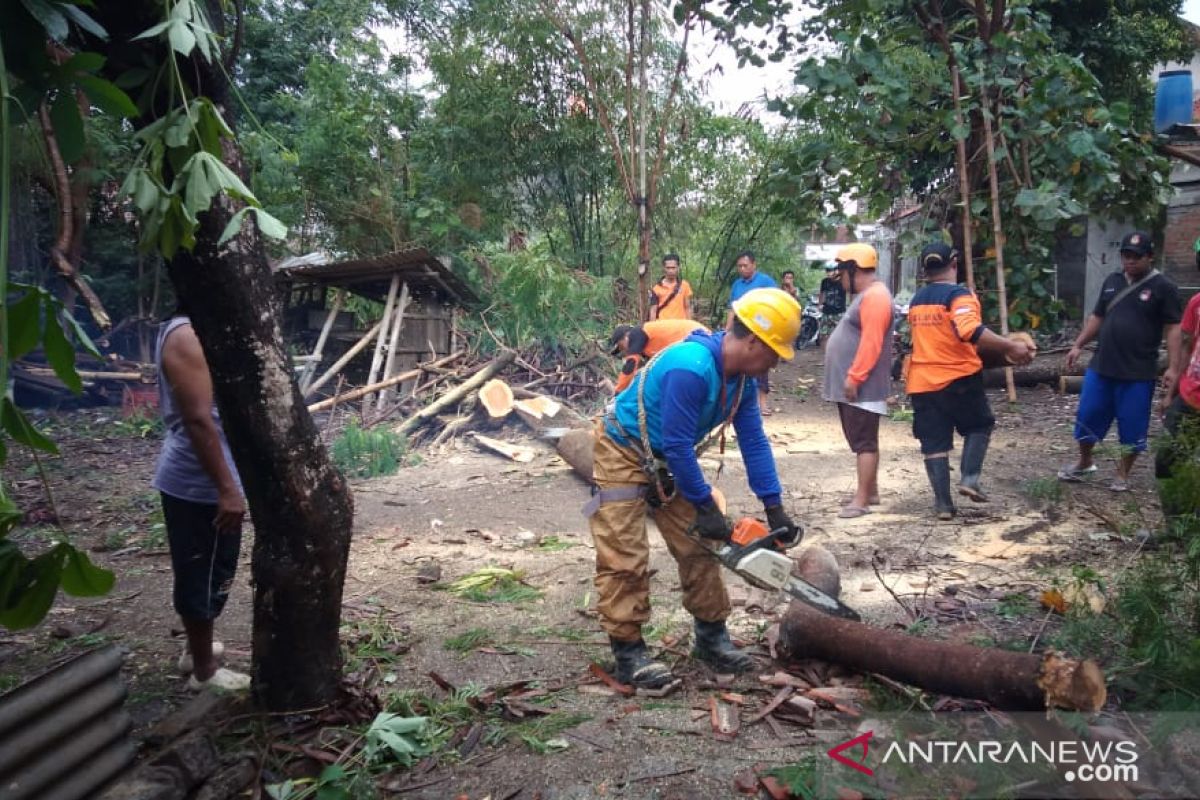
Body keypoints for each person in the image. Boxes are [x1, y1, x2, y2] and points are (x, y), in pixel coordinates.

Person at [588, 288, 802, 688]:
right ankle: (628, 652)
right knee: (624, 553)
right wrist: (704, 503)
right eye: (774, 353)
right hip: (624, 449)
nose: (774, 363)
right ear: (753, 341)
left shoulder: (738, 381)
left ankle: (710, 636)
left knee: (702, 544)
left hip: (669, 459)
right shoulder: (691, 367)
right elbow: (678, 445)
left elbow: (754, 440)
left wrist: (774, 506)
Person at [152, 310, 251, 691]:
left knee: (208, 569)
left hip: (207, 475)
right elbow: (197, 419)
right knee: (203, 572)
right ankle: (204, 672)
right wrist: (226, 488)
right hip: (199, 480)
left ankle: (197, 650)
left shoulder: (200, 330)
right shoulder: (186, 335)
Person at [907, 243, 1035, 520]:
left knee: (933, 443)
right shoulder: (959, 295)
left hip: (922, 382)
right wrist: (1008, 347)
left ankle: (943, 505)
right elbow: (969, 331)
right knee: (980, 425)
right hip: (958, 378)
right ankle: (970, 478)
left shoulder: (917, 301)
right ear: (954, 262)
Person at [1058, 231, 1182, 492]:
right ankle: (1085, 462)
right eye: (1126, 255)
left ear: (1150, 256)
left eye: (1136, 256)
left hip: (1138, 372)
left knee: (1132, 426)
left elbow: (1173, 329)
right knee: (1087, 416)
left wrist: (1173, 366)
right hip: (1102, 365)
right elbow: (1098, 316)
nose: (1130, 261)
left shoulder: (1164, 287)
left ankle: (1123, 474)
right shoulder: (1113, 281)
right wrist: (1078, 344)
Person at [822, 244, 894, 518]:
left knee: (864, 442)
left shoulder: (875, 297)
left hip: (863, 386)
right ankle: (870, 491)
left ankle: (861, 499)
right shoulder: (869, 295)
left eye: (842, 272)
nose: (839, 279)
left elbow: (872, 342)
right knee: (863, 440)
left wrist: (855, 377)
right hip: (859, 385)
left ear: (853, 269)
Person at [1156, 286, 1200, 532]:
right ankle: (1176, 529)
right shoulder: (1197, 302)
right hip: (1189, 395)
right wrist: (1171, 394)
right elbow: (1187, 346)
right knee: (1167, 460)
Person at [726, 251, 778, 412]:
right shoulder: (737, 285)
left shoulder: (765, 281)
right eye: (739, 266)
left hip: (760, 331)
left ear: (754, 265)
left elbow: (775, 303)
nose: (742, 269)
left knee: (760, 367)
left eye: (745, 265)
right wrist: (726, 330)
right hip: (740, 331)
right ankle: (737, 403)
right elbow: (732, 309)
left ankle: (762, 403)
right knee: (739, 365)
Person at [609, 319, 709, 394]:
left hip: (695, 335)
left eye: (621, 346)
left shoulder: (636, 333)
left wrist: (618, 391)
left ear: (626, 336)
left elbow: (630, 365)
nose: (624, 351)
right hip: (694, 339)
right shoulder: (647, 345)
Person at [648, 253, 694, 320]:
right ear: (664, 268)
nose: (671, 271)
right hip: (663, 326)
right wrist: (652, 328)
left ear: (678, 268)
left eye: (673, 268)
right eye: (668, 268)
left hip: (680, 325)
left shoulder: (685, 285)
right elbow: (653, 311)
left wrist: (689, 326)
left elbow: (687, 307)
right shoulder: (656, 288)